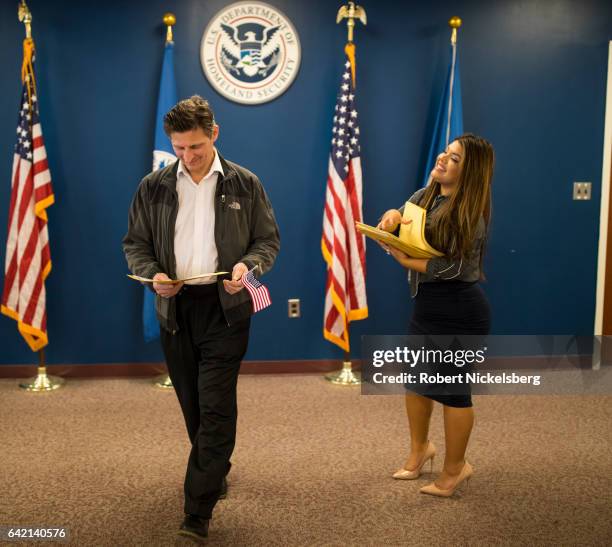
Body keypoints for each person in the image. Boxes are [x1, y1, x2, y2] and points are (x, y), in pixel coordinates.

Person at [123, 95, 280, 539]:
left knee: (216, 405)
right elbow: (134, 244)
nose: (188, 157)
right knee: (192, 402)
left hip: (226, 308)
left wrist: (249, 268)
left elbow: (267, 242)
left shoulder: (246, 184)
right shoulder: (152, 186)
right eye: (178, 148)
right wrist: (152, 274)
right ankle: (214, 468)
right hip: (175, 309)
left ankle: (197, 512)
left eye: (195, 146)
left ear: (214, 134)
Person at [377, 133, 494, 497]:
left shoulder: (469, 210)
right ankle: (420, 450)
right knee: (415, 381)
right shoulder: (426, 194)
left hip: (461, 310)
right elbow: (402, 215)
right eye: (446, 152)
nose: (443, 159)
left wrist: (402, 258)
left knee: (453, 392)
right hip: (427, 306)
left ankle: (456, 469)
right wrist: (392, 217)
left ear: (469, 171)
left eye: (454, 158)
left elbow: (453, 267)